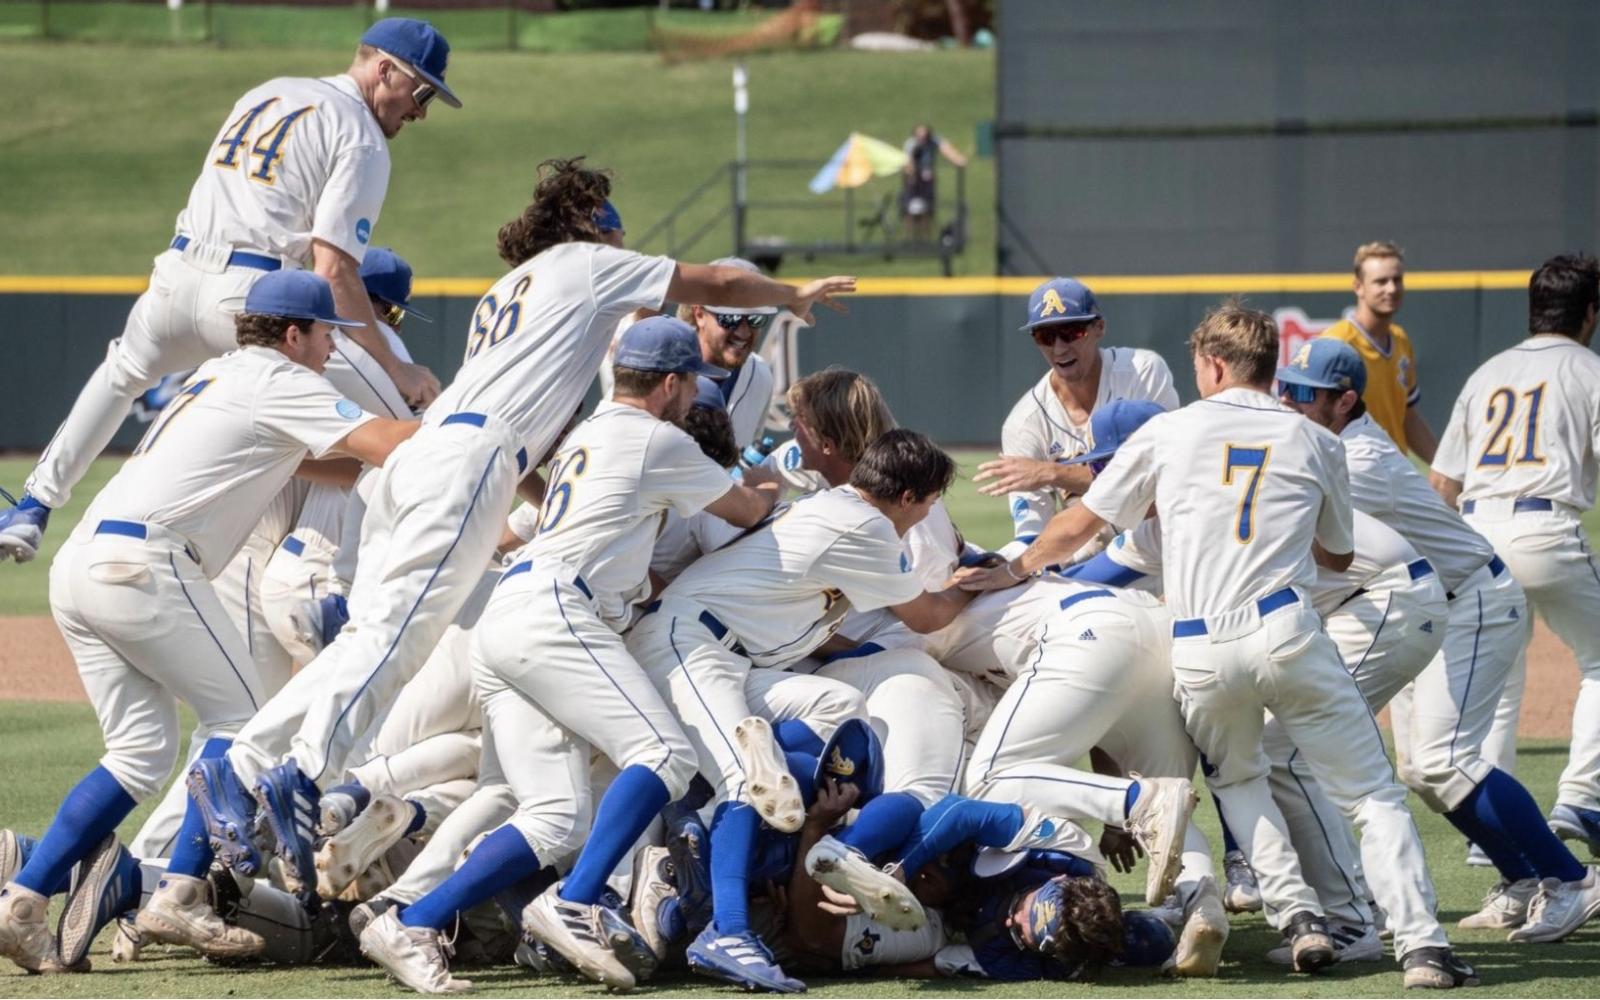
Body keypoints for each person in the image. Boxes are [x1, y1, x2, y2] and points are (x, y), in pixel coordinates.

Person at [191, 157, 856, 899]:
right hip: (471, 459)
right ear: (588, 227)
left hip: (432, 454)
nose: (626, 241)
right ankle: (302, 774)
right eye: (616, 226)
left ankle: (242, 761)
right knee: (393, 641)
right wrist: (792, 293)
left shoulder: (506, 290)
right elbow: (723, 284)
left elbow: (536, 441)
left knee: (367, 638)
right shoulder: (586, 265)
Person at [955, 301, 1477, 989]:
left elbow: (1079, 525)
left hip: (1201, 646)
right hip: (1288, 630)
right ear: (1269, 367)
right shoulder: (1318, 440)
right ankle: (1423, 949)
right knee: (1370, 794)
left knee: (1238, 780)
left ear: (1213, 364)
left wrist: (1013, 570)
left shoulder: (1168, 433)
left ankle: (1298, 918)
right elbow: (1339, 557)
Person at [0, 271, 419, 973]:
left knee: (139, 754)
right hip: (148, 563)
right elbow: (383, 440)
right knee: (245, 726)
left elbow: (329, 464)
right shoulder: (282, 379)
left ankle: (23, 900)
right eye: (325, 334)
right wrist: (478, 432)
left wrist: (372, 470)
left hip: (85, 559)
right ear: (293, 334)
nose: (330, 349)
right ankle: (181, 893)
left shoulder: (223, 372)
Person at [358, 317, 782, 993]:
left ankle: (412, 918)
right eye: (690, 384)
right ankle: (576, 899)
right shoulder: (659, 437)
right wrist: (771, 480)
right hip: (558, 610)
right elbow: (743, 513)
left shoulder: (590, 431)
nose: (693, 394)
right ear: (670, 383)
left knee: (554, 816)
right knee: (665, 757)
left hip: (513, 611)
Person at [0, 17, 458, 563]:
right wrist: (397, 369)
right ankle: (389, 573)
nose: (421, 109)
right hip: (254, 301)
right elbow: (333, 269)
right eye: (422, 90)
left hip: (175, 277)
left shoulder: (269, 92)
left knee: (122, 373)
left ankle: (33, 507)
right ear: (385, 69)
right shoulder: (360, 136)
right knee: (417, 433)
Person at [1277, 338, 1600, 944]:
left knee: (1442, 762)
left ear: (1345, 401)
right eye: (1285, 389)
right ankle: (1523, 880)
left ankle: (1572, 880)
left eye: (1304, 394)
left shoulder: (1361, 461)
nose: (1290, 402)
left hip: (1473, 599)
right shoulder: (1330, 444)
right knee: (1420, 770)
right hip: (1429, 603)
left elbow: (1302, 532)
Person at [627, 429, 974, 992]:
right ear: (909, 497)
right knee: (744, 777)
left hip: (727, 655)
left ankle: (740, 813)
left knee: (837, 703)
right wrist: (972, 584)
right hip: (687, 646)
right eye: (932, 499)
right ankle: (729, 929)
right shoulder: (866, 527)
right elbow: (929, 615)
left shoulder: (834, 508)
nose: (930, 510)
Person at [1433, 253, 1600, 865]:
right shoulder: (1589, 369)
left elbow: (1442, 484)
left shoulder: (1486, 374)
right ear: (1589, 312)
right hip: (1544, 527)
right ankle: (1581, 798)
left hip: (1477, 535)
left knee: (1499, 684)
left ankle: (1494, 835)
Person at [975, 278, 1178, 558]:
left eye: (1071, 332)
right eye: (1045, 336)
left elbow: (1164, 479)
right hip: (1088, 564)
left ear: (1099, 328)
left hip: (1161, 546)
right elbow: (1031, 534)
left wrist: (1054, 473)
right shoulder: (1024, 424)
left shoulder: (1140, 374)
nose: (1059, 348)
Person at [1319, 240, 1436, 460]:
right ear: (1358, 287)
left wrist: (1442, 467)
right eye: (1381, 281)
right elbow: (1316, 416)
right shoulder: (1337, 343)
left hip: (1395, 470)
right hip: (1355, 470)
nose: (1391, 289)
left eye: (1397, 280)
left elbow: (1407, 416)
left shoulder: (1400, 339)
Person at [899, 124, 967, 244]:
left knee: (928, 208)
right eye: (919, 134)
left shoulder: (934, 140)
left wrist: (958, 159)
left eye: (924, 134)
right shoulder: (911, 144)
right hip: (913, 181)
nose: (921, 137)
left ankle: (926, 238)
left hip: (928, 180)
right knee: (910, 210)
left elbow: (947, 149)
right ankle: (908, 238)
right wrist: (911, 175)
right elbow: (908, 161)